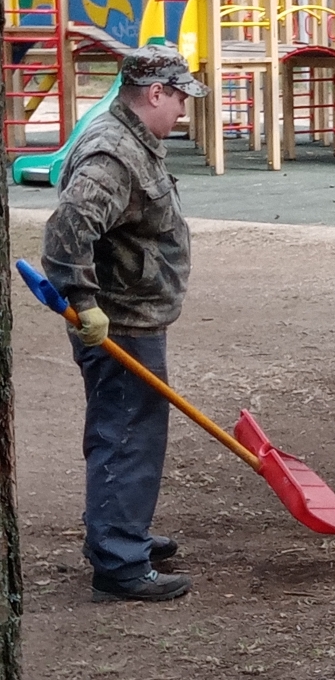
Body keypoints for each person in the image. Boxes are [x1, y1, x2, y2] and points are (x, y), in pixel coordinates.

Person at [42, 44, 209, 602]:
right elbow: (68, 227)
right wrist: (84, 301)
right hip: (118, 322)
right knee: (127, 434)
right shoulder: (113, 155)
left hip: (134, 315)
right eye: (179, 97)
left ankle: (121, 529)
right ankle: (118, 562)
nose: (183, 109)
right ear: (154, 92)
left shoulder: (136, 141)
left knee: (130, 428)